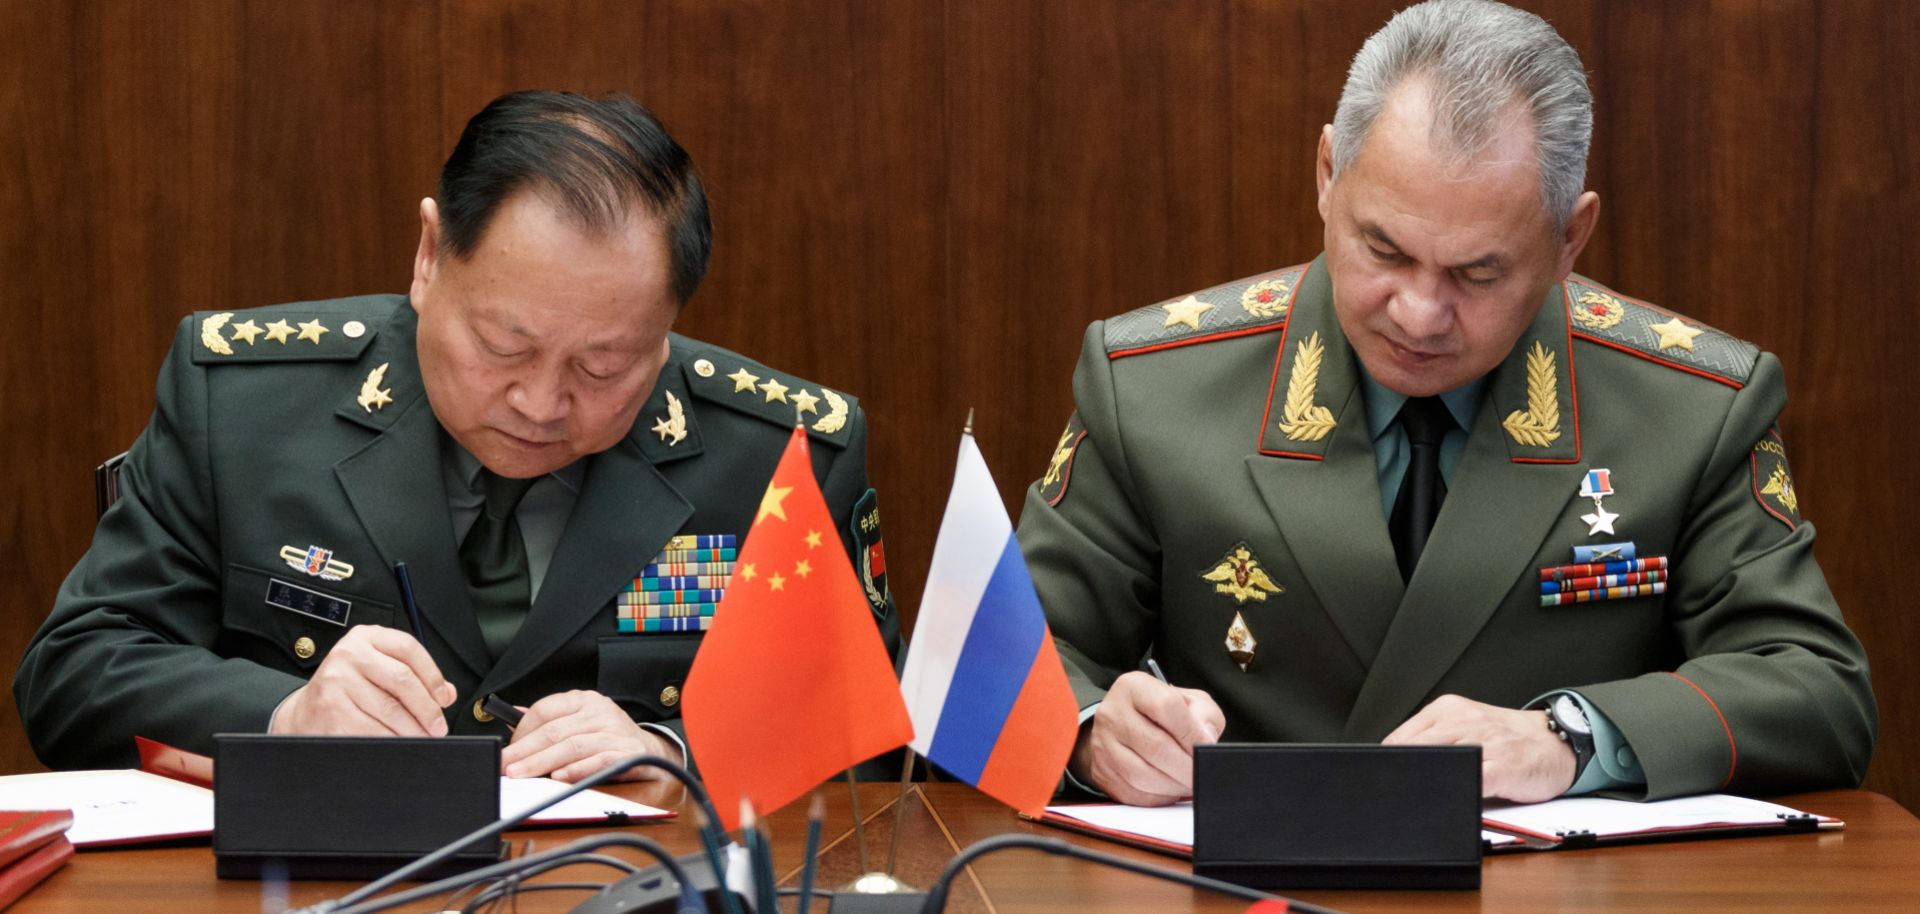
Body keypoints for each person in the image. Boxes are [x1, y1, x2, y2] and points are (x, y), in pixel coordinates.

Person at [1018, 0, 1875, 807]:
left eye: (1478, 273)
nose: (1420, 314)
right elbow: (1009, 659)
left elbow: (1816, 691)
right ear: (1326, 176)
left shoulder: (1692, 407)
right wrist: (1093, 731)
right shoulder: (1152, 385)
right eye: (1383, 249)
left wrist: (1571, 739)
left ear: (1569, 237)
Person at [14, 91, 898, 782]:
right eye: (504, 345)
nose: (542, 402)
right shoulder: (241, 404)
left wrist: (678, 752)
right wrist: (287, 716)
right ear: (430, 256)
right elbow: (73, 673)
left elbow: (878, 741)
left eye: (605, 366)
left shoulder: (782, 458)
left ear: (668, 327)